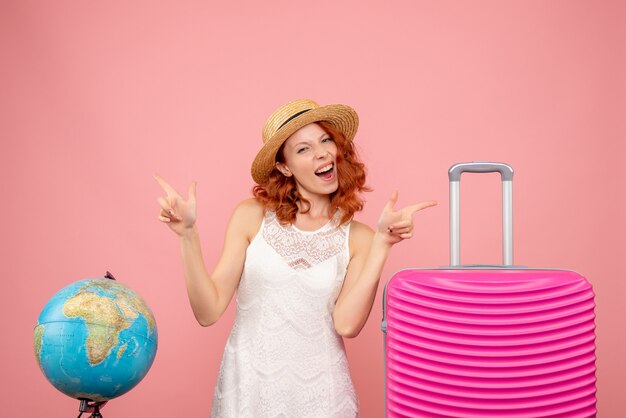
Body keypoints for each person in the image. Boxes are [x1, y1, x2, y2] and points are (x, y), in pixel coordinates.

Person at [154, 98, 437, 417]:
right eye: (303, 149)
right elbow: (208, 311)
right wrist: (187, 235)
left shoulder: (360, 237)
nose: (320, 153)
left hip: (321, 396)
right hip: (249, 390)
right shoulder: (251, 217)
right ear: (284, 166)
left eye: (325, 140)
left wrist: (382, 244)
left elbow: (346, 324)